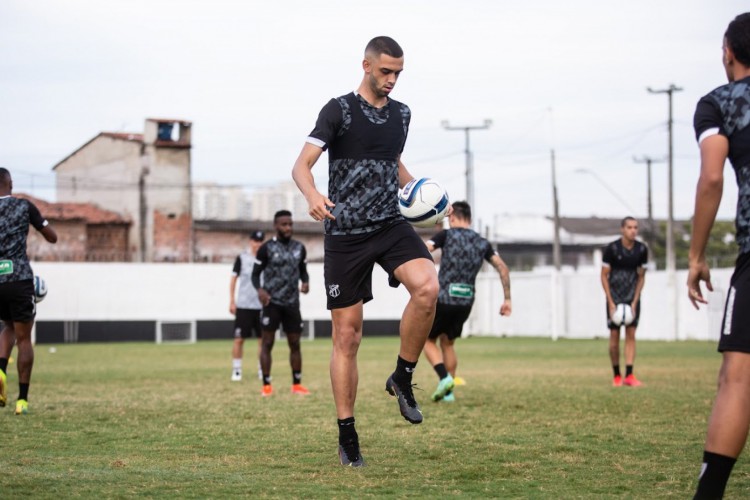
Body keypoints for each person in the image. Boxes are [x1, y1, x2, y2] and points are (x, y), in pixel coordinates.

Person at [291, 36, 439, 467]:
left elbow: (392, 163)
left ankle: (403, 376)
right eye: (385, 72)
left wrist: (419, 194)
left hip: (391, 225)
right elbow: (301, 165)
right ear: (367, 66)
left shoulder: (403, 114)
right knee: (348, 336)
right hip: (345, 233)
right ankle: (348, 434)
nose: (392, 80)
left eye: (398, 73)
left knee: (428, 287)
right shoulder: (338, 110)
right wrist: (313, 195)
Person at [688, 12, 750, 499]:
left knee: (738, 377)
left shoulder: (719, 104)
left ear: (727, 51)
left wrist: (696, 255)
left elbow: (712, 178)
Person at [423, 201, 511, 403]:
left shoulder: (446, 235)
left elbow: (425, 249)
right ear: (470, 219)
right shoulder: (482, 243)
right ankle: (449, 392)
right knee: (449, 343)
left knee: (427, 341)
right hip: (466, 300)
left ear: (452, 218)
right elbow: (503, 268)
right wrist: (507, 299)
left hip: (444, 297)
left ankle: (444, 378)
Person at [0, 167, 57, 415]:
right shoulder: (24, 206)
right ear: (10, 183)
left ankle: (1, 371)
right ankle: (22, 401)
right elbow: (51, 237)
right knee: (24, 338)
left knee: (7, 326)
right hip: (19, 278)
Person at [251, 210, 310, 397]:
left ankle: (297, 384)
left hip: (292, 302)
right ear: (276, 226)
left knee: (295, 343)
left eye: (290, 224)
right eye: (284, 224)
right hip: (272, 302)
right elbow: (255, 274)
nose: (288, 227)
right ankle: (266, 385)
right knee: (267, 343)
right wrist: (260, 291)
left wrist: (306, 282)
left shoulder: (299, 248)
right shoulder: (266, 248)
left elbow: (303, 271)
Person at [600, 216, 647, 387]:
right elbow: (604, 275)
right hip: (615, 297)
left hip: (631, 298)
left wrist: (635, 300)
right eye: (629, 227)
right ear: (622, 229)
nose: (633, 230)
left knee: (631, 334)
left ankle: (629, 374)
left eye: (635, 227)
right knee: (614, 335)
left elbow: (641, 277)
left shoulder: (642, 250)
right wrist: (610, 301)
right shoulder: (612, 249)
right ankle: (616, 375)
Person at [229, 230, 265, 382]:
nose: (258, 244)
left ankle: (262, 369)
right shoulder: (242, 258)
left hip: (262, 305)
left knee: (262, 340)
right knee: (239, 339)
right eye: (255, 241)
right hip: (244, 305)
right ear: (251, 241)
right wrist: (232, 300)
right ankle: (237, 370)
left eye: (260, 241)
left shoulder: (266, 258)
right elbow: (233, 279)